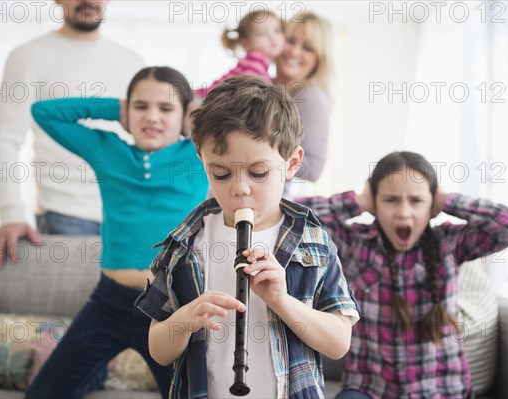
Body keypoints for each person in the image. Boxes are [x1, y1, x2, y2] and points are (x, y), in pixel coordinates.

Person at [135, 75, 360, 399]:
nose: (240, 187)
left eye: (258, 172)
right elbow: (159, 349)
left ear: (292, 163)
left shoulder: (313, 241)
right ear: (203, 161)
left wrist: (282, 302)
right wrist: (185, 319)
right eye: (221, 173)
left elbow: (339, 343)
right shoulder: (186, 244)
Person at [25, 66, 209, 399]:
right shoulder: (108, 151)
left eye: (166, 108)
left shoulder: (199, 155)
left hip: (172, 306)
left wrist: (198, 112)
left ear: (183, 116)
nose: (152, 116)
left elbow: (242, 123)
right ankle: (93, 376)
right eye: (141, 106)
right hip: (108, 304)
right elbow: (44, 112)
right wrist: (114, 108)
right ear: (127, 111)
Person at [296, 151, 508, 399]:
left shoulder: (449, 243)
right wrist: (359, 200)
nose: (404, 212)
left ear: (432, 205)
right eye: (391, 200)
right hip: (370, 389)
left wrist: (448, 200)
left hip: (440, 391)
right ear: (375, 204)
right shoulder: (355, 243)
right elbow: (295, 216)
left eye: (416, 201)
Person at [0, 0, 144, 267]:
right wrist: (11, 213)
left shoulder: (131, 61)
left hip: (127, 214)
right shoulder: (27, 57)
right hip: (64, 214)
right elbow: (5, 139)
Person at [274, 12, 333, 197]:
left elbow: (314, 167)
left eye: (307, 47)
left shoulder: (310, 95)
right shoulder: (264, 83)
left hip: (269, 206)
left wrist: (263, 154)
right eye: (291, 40)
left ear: (319, 58)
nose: (294, 52)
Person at [194, 9, 284, 98]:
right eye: (262, 34)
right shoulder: (256, 61)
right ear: (246, 43)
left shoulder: (257, 63)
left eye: (277, 31)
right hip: (204, 99)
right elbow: (251, 94)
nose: (272, 37)